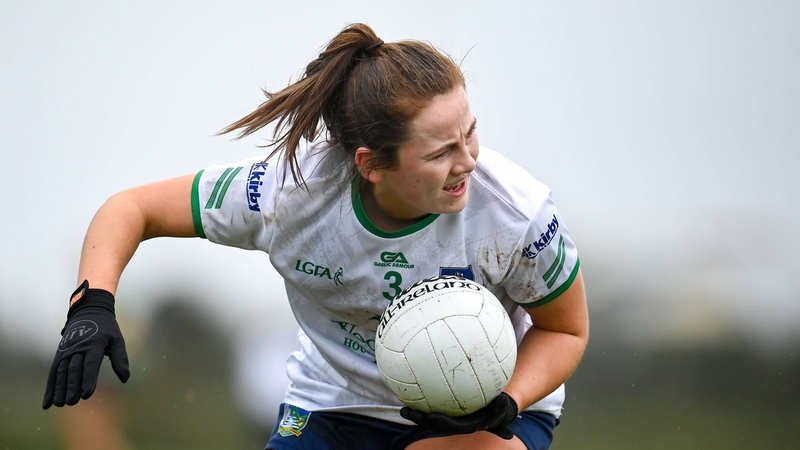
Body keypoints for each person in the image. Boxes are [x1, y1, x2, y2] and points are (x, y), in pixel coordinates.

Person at [42, 23, 589, 450]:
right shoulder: (289, 193)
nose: (468, 161)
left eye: (470, 134)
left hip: (479, 409)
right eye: (441, 152)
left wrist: (509, 400)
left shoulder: (516, 213)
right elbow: (131, 208)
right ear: (371, 164)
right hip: (335, 406)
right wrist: (92, 303)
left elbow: (565, 330)